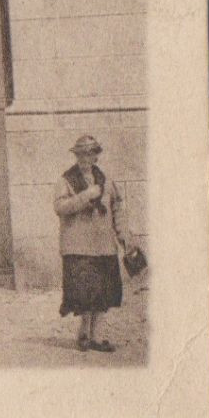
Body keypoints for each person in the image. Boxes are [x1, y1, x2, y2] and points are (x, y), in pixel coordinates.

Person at [53, 134, 130, 352]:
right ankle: (84, 334)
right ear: (76, 156)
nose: (86, 158)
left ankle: (97, 336)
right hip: (78, 246)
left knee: (103, 294)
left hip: (104, 246)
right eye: (81, 154)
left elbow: (117, 209)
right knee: (84, 294)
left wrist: (124, 235)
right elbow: (59, 208)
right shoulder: (65, 180)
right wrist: (86, 195)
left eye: (90, 154)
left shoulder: (107, 180)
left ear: (96, 156)